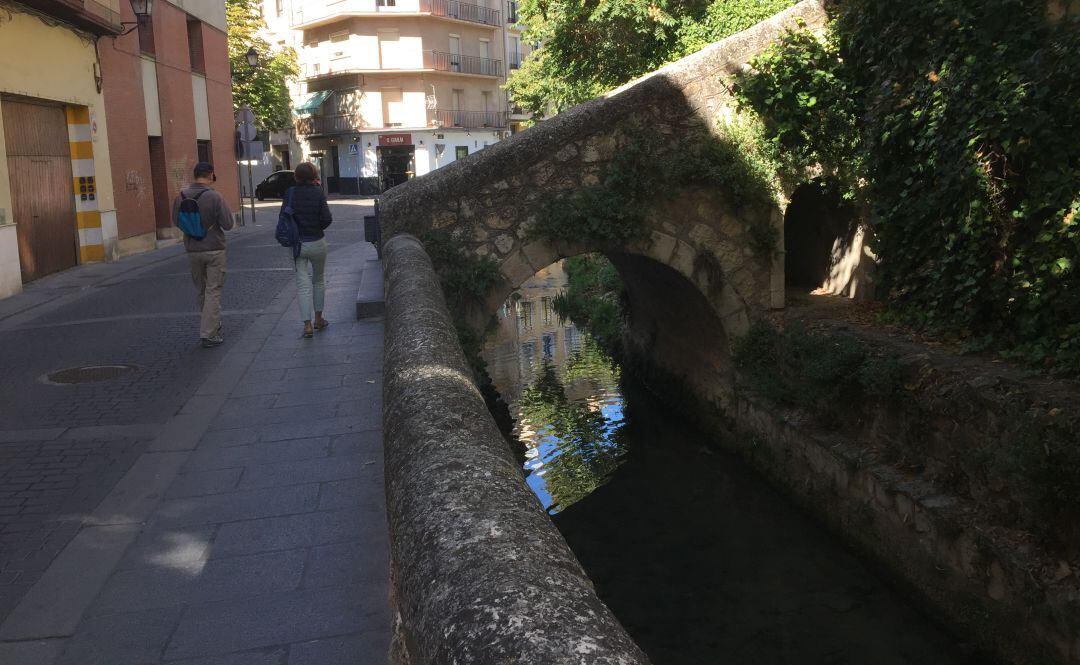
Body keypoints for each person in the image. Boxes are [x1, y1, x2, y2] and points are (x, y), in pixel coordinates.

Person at [171, 162, 235, 348]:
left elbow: (176, 221)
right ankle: (208, 333)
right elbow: (228, 224)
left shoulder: (181, 196)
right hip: (214, 248)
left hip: (192, 250)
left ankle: (212, 323)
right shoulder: (215, 197)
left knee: (201, 290)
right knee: (213, 290)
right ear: (210, 175)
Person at [285, 162, 332, 338]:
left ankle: (307, 326)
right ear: (314, 175)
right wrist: (317, 227)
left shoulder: (290, 193)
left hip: (297, 244)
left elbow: (284, 218)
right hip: (317, 241)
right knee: (318, 280)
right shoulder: (318, 192)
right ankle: (319, 319)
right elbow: (327, 218)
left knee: (302, 285)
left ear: (296, 176)